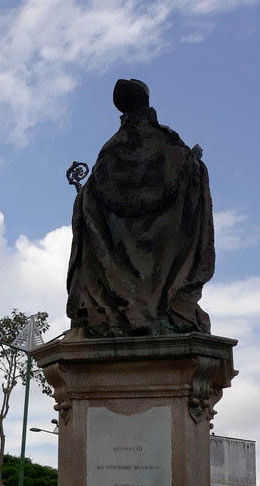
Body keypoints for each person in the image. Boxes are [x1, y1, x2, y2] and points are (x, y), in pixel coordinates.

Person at [66, 79, 214, 338]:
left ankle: (127, 311)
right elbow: (189, 174)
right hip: (164, 248)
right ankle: (164, 310)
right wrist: (195, 162)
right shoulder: (169, 143)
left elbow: (92, 198)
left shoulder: (111, 150)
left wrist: (84, 196)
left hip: (120, 248)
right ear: (147, 101)